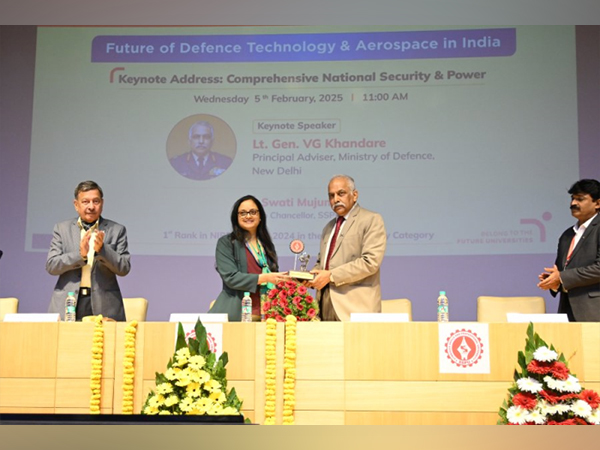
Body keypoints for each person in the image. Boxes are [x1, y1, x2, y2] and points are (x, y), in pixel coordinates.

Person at [46, 180, 131, 321]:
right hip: (68, 303)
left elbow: (124, 268)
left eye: (96, 201)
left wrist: (102, 251)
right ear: (76, 205)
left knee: (103, 343)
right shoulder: (62, 229)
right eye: (85, 202)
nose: (91, 206)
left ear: (102, 203)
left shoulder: (117, 230)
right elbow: (51, 266)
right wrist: (79, 255)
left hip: (104, 305)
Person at [308, 175, 387, 321]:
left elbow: (370, 262)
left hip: (355, 309)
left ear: (354, 195)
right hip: (325, 307)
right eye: (331, 196)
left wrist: (330, 276)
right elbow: (323, 263)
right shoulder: (328, 227)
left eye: (341, 193)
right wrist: (311, 276)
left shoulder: (371, 219)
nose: (335, 199)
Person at [209, 195, 288, 321]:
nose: (248, 216)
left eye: (253, 212)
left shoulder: (266, 245)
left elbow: (273, 275)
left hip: (265, 315)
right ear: (236, 217)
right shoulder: (227, 243)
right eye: (243, 213)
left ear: (260, 216)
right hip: (237, 314)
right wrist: (265, 278)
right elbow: (231, 277)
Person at [538, 179, 600, 322]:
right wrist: (555, 282)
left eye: (580, 199)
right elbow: (562, 272)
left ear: (597, 203)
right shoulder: (567, 235)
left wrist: (562, 277)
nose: (573, 203)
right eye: (572, 198)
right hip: (568, 311)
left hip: (594, 311)